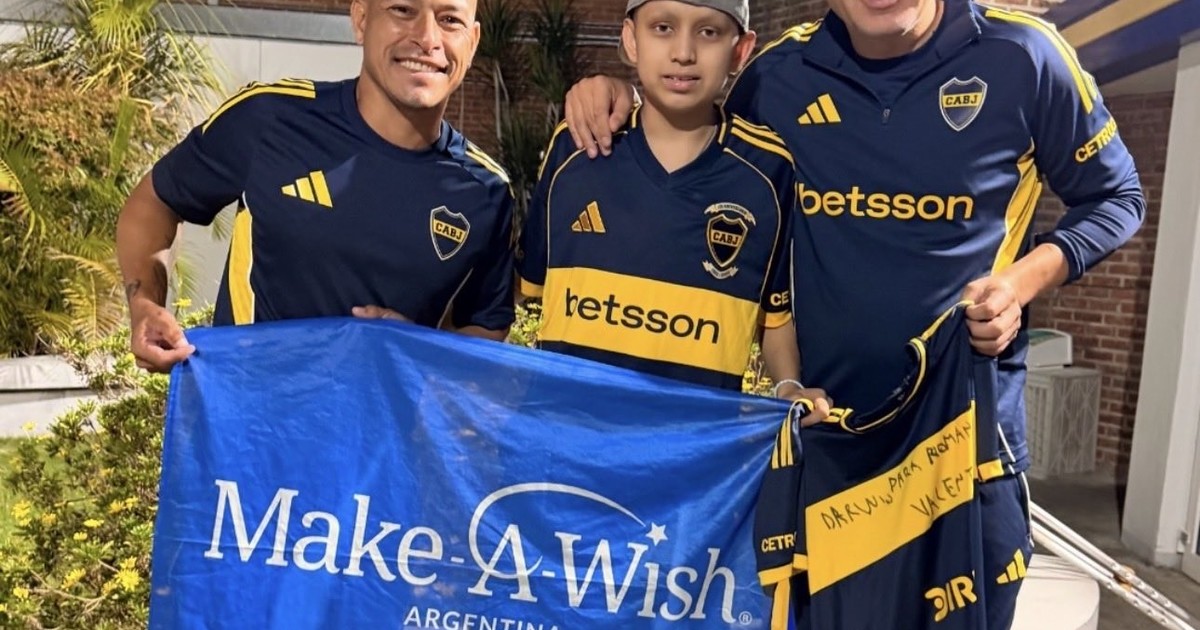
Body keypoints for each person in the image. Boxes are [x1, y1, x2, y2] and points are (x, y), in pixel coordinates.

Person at [563, 0, 1146, 627]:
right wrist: (620, 95)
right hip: (820, 444)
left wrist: (1020, 283)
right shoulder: (780, 72)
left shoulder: (1025, 56)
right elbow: (702, 143)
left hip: (962, 448)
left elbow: (1118, 196)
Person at [116, 0, 516, 373]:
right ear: (361, 20)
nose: (427, 38)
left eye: (449, 20)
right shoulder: (270, 119)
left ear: (472, 41)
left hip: (386, 428)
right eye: (402, 9)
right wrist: (144, 304)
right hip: (248, 419)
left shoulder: (485, 192)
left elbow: (483, 330)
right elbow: (155, 202)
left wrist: (414, 348)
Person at [518, 0, 827, 409]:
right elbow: (517, 297)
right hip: (566, 435)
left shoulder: (768, 172)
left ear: (740, 51)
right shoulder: (576, 149)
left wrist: (788, 386)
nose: (683, 53)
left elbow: (775, 315)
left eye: (708, 32)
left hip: (693, 443)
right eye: (663, 28)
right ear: (631, 40)